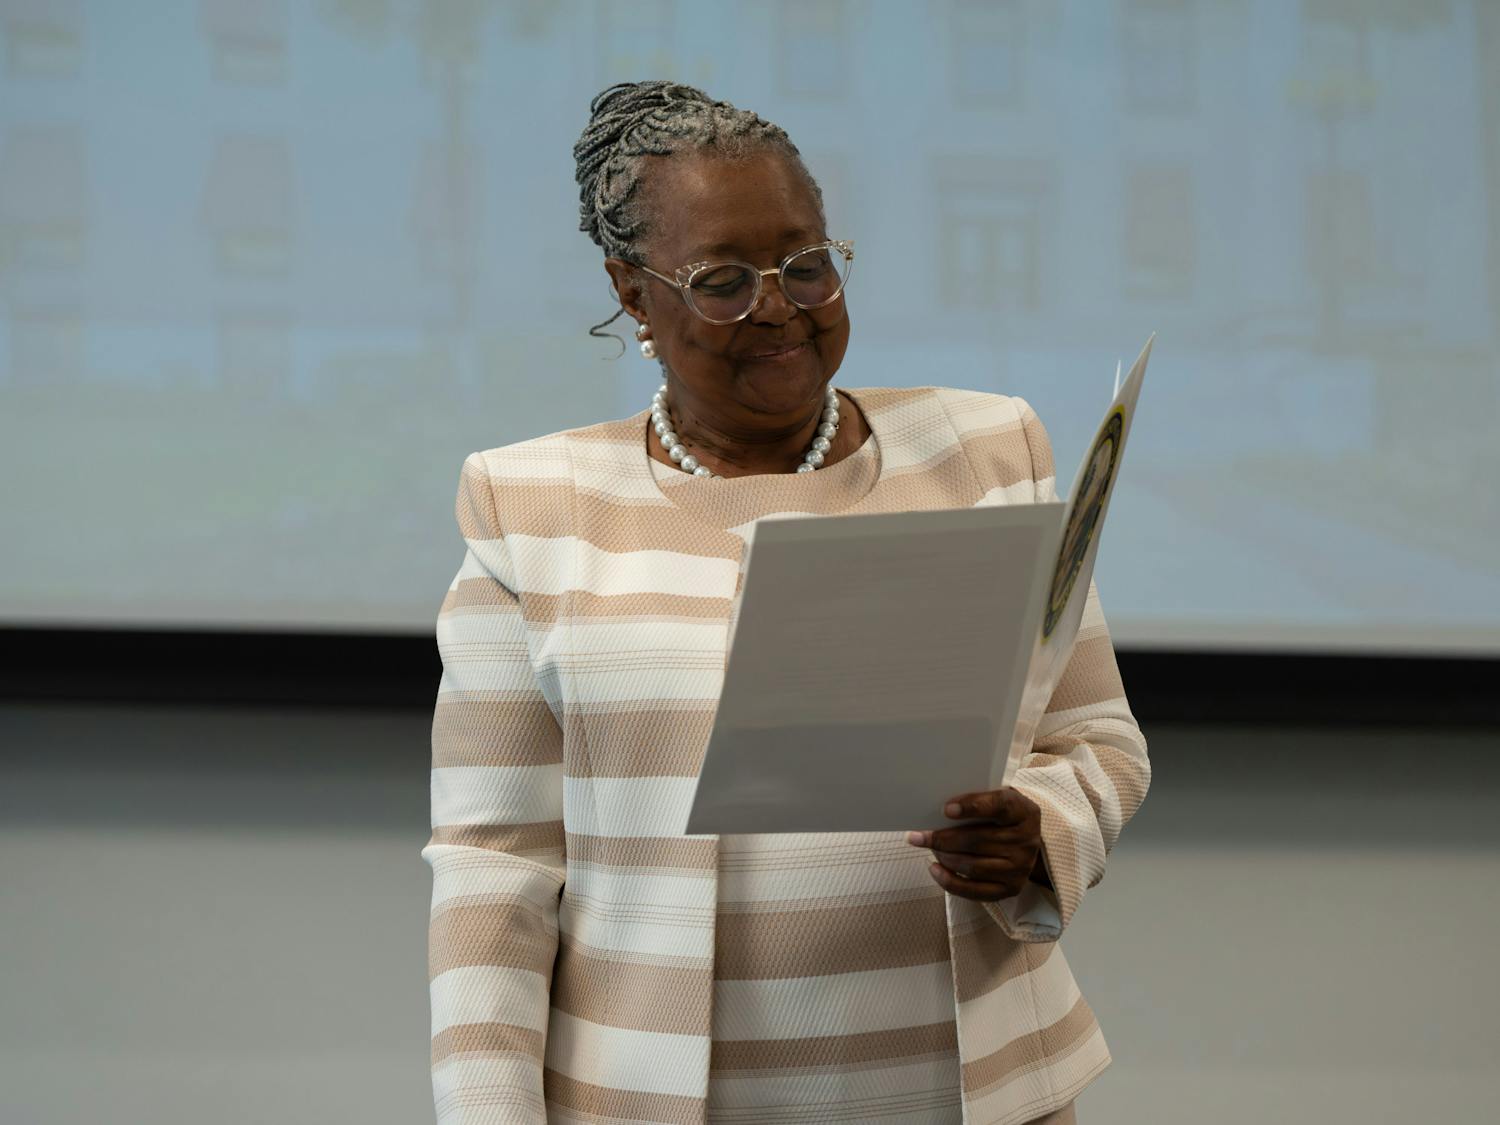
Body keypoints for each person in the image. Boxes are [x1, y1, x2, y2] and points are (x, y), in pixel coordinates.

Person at [422, 80, 1150, 1125]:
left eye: (807, 265)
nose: (780, 307)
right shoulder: (529, 505)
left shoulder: (987, 450)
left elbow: (1098, 741)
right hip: (649, 1099)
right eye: (722, 281)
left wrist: (1039, 831)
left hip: (969, 1092)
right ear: (633, 293)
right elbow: (496, 865)